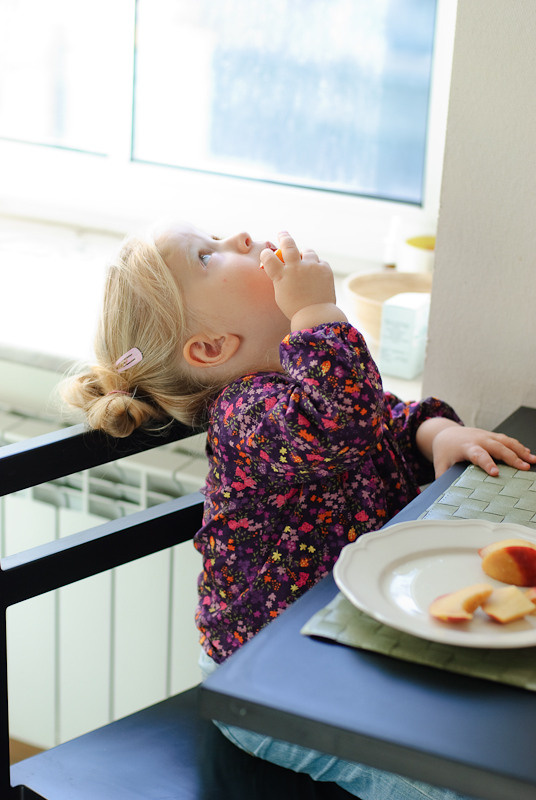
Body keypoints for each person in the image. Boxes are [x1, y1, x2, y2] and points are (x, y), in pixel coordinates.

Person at [63, 222, 536, 800]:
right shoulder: (246, 416)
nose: (238, 237)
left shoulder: (305, 380)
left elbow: (381, 416)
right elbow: (344, 421)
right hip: (273, 688)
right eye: (206, 256)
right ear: (211, 348)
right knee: (464, 783)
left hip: (344, 642)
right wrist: (315, 307)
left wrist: (434, 434)